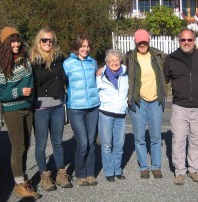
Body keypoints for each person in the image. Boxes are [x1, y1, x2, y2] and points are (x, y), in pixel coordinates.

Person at [164, 28, 198, 185]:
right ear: (179, 41)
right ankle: (180, 172)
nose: (186, 42)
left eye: (189, 40)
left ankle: (194, 169)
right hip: (180, 107)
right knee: (178, 140)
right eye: (183, 40)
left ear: (195, 41)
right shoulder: (171, 58)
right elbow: (163, 79)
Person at [0, 27, 40, 199]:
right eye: (12, 41)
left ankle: (23, 178)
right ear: (6, 43)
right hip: (13, 111)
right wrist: (19, 91)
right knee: (18, 147)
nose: (16, 44)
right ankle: (19, 184)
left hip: (28, 108)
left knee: (26, 146)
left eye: (18, 40)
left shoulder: (26, 60)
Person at [29, 27, 72, 191]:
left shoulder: (60, 58)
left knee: (58, 142)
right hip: (40, 108)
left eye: (50, 40)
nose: (48, 43)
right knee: (40, 144)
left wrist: (97, 71)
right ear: (39, 41)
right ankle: (45, 176)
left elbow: (73, 70)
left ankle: (61, 174)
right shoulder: (31, 60)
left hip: (57, 107)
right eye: (44, 40)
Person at [122, 29, 168, 179]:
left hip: (156, 100)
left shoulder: (158, 56)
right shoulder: (129, 57)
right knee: (139, 137)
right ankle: (144, 167)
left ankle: (156, 166)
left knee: (155, 136)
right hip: (138, 101)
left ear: (148, 41)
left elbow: (169, 71)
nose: (142, 44)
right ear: (135, 42)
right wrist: (101, 70)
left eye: (145, 41)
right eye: (139, 41)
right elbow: (115, 68)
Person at [63, 33, 100, 186]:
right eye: (83, 46)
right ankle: (80, 174)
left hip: (93, 107)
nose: (86, 49)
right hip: (76, 108)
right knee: (83, 142)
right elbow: (59, 81)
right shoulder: (68, 63)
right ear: (77, 47)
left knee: (91, 142)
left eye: (88, 46)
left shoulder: (93, 62)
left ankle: (90, 174)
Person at [96, 49, 128, 182]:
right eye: (111, 61)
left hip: (121, 114)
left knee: (119, 144)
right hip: (106, 114)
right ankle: (109, 171)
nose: (115, 63)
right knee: (107, 145)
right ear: (107, 63)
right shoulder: (100, 75)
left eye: (117, 60)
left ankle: (117, 170)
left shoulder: (126, 73)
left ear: (120, 61)